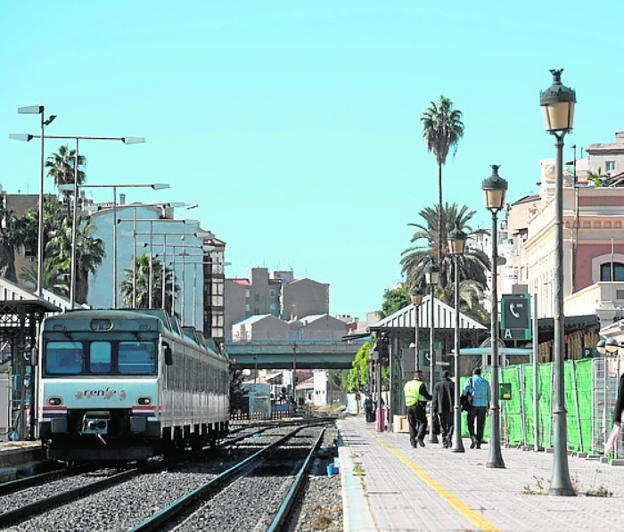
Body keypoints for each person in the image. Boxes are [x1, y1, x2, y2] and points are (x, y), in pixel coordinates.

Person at [404, 369, 432, 448]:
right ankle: (419, 437)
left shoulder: (407, 384)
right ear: (419, 376)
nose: (422, 377)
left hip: (408, 406)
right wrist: (433, 397)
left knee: (412, 424)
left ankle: (413, 442)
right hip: (417, 405)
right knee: (423, 422)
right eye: (421, 375)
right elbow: (426, 395)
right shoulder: (420, 384)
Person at [463, 367, 490, 449]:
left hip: (473, 405)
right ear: (480, 373)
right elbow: (489, 395)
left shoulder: (470, 380)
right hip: (483, 405)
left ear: (473, 373)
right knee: (481, 424)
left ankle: (473, 437)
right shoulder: (485, 382)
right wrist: (487, 405)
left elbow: (464, 392)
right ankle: (478, 442)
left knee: (470, 422)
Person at [432, 370, 454, 448]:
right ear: (448, 376)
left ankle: (444, 442)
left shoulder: (437, 385)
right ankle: (449, 436)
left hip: (440, 409)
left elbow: (434, 399)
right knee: (451, 424)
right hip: (451, 408)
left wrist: (434, 410)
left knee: (442, 425)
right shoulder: (453, 384)